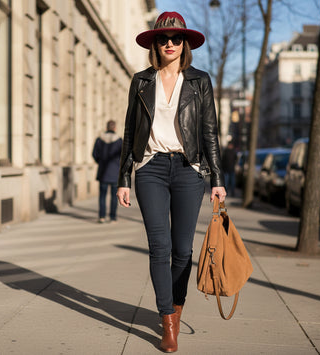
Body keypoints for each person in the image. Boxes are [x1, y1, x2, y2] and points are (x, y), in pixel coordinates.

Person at [116, 12, 226, 353]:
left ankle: (176, 309)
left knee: (182, 250)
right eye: (163, 39)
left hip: (188, 169)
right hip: (149, 168)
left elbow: (209, 131)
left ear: (185, 44)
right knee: (159, 248)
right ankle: (167, 321)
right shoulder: (141, 81)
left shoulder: (199, 81)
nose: (169, 44)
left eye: (176, 39)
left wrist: (217, 179)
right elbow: (130, 132)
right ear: (154, 44)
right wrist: (123, 177)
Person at [92, 120, 122, 223]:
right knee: (114, 196)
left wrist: (100, 162)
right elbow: (123, 156)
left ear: (106, 127)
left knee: (102, 196)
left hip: (103, 172)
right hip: (115, 173)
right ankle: (113, 217)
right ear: (114, 128)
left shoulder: (99, 140)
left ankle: (102, 216)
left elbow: (94, 154)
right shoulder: (119, 141)